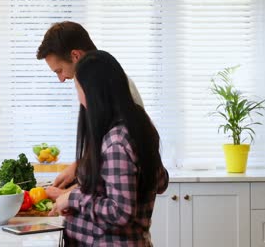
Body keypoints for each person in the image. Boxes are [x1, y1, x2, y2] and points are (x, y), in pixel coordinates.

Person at [49, 50, 169, 246]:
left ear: (93, 93)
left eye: (78, 90)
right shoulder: (139, 123)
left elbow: (120, 212)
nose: (79, 99)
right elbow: (161, 181)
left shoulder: (116, 142)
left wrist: (74, 198)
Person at [36, 21, 144, 195]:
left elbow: (121, 157)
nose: (61, 79)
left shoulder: (117, 88)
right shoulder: (97, 88)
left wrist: (69, 196)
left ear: (76, 56)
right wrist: (80, 166)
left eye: (59, 70)